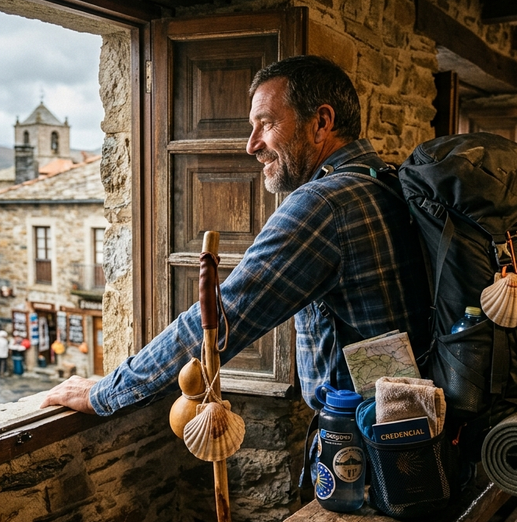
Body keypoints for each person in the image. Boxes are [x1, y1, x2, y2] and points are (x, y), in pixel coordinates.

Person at [42, 54, 430, 420]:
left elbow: (218, 319)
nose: (252, 144)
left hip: (367, 445)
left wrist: (105, 393)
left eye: (266, 123)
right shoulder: (383, 179)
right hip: (413, 422)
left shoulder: (323, 204)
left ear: (321, 122)